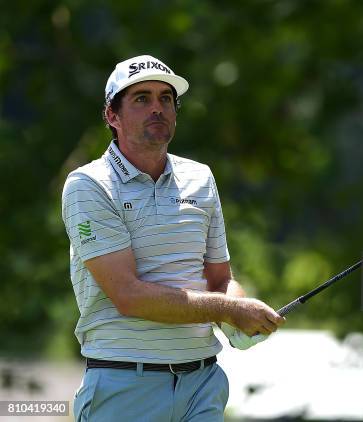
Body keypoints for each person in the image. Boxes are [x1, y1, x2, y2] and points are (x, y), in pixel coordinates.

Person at [61, 55, 284, 421]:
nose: (157, 108)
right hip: (126, 386)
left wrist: (239, 320)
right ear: (112, 116)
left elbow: (220, 279)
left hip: (202, 384)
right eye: (141, 99)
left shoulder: (200, 177)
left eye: (166, 99)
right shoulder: (88, 185)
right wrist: (229, 310)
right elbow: (129, 297)